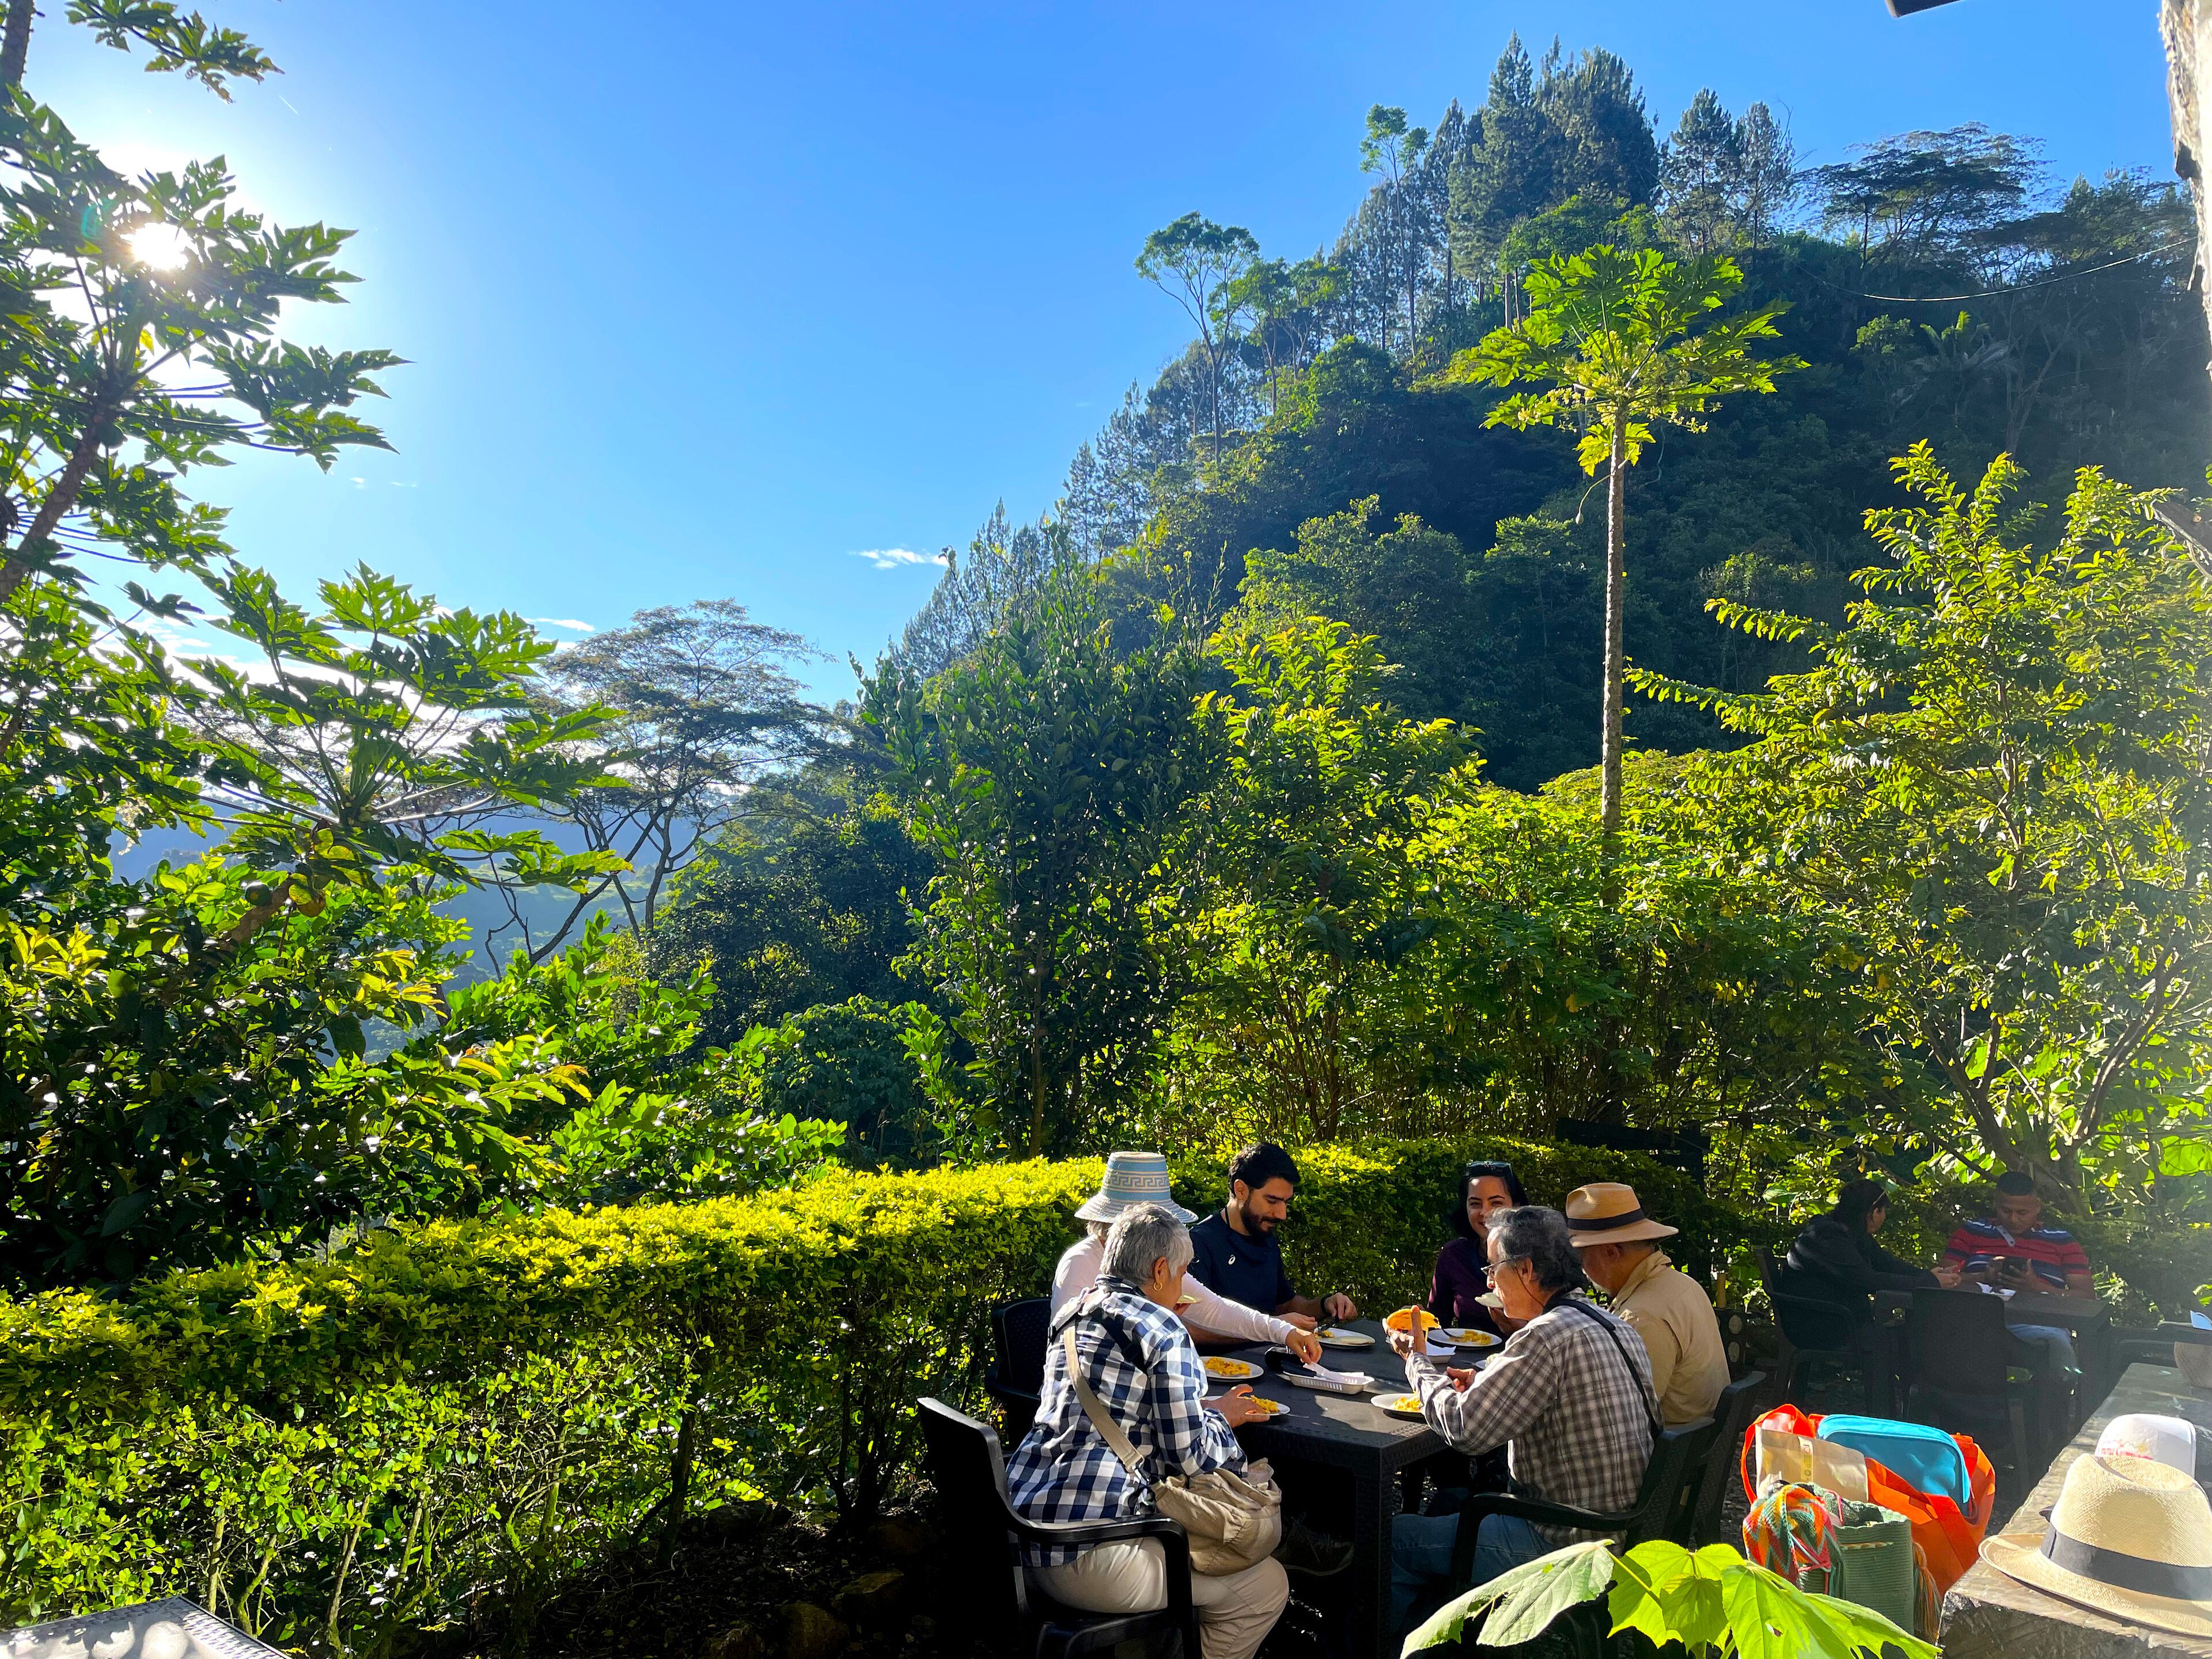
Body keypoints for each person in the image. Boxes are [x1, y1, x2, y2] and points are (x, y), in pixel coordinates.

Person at [1007, 1203, 1290, 1659]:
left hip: (1027, 1542)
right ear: (1160, 1271)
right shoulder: (1163, 1329)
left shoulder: (1073, 1313)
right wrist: (1223, 1420)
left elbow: (1114, 1410)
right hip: (1093, 1555)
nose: (1183, 1284)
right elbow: (1191, 1459)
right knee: (1267, 1586)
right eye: (1181, 1272)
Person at [1387, 1206, 1657, 1634]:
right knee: (1449, 1501)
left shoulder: (1545, 1335)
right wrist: (1484, 1383)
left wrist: (1416, 1361)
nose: (1489, 1283)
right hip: (1620, 1532)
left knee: (1395, 1539)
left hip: (1565, 1546)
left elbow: (1464, 1429)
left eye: (1493, 1268)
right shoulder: (1614, 1326)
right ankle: (1443, 1635)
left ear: (1527, 1269)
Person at [1052, 1153, 1324, 1363]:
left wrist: (1283, 1332)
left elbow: (1215, 1310)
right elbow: (1074, 1352)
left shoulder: (1153, 1256)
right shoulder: (1080, 1262)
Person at [1566, 1181, 1729, 1428]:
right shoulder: (1683, 1284)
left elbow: (1627, 1417)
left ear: (1611, 1253)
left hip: (1670, 1447)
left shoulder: (1641, 1316)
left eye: (1581, 1255)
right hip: (1696, 1441)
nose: (1582, 1268)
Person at [1942, 1170, 2092, 1404]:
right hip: (1973, 1321)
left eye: (2022, 1213)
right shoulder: (1971, 1232)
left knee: (2058, 1353)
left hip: (2039, 1325)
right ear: (1995, 1204)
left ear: (2037, 1207)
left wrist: (2036, 1287)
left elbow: (2086, 1298)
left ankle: (2052, 1414)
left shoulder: (2062, 1241)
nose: (2013, 1219)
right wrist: (1984, 1276)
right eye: (2006, 1211)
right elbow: (1943, 1279)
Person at [1186, 1143, 1358, 1326]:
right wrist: (1270, 1327)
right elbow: (1192, 1326)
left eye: (1286, 1202)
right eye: (1272, 1201)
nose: (1282, 1215)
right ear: (1241, 1190)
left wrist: (1326, 1305)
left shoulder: (1264, 1235)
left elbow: (1284, 1307)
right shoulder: (1198, 1244)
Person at [1781, 1178, 1957, 1349]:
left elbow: (1888, 1264)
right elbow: (1867, 1280)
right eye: (1883, 1211)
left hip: (1835, 1319)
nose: (1884, 1216)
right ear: (1875, 1213)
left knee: (1913, 1337)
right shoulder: (1828, 1238)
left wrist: (1929, 1277)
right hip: (1821, 1327)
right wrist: (1929, 1283)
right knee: (1915, 1342)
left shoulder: (1848, 1234)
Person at [1427, 1161, 1527, 1332]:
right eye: (1475, 1204)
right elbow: (1435, 1324)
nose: (1485, 1212)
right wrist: (1414, 1321)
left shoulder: (1539, 1256)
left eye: (1496, 1203)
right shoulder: (1454, 1256)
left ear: (1516, 1206)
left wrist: (1520, 1329)